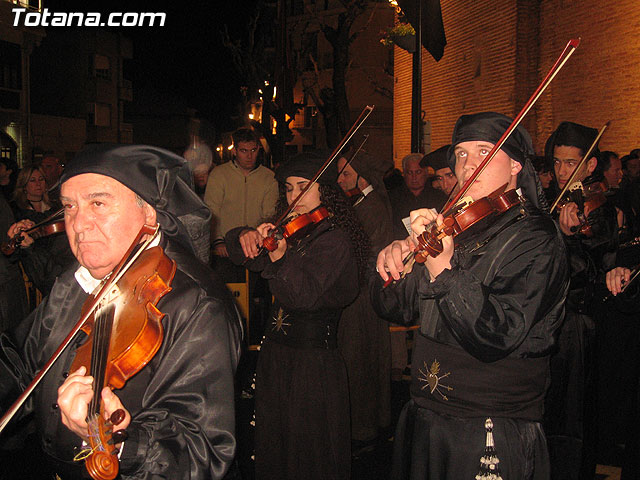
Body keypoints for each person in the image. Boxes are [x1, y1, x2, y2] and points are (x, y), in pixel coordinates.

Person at [0, 144, 242, 479]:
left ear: (149, 213)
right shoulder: (77, 279)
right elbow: (18, 358)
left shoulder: (198, 304)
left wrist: (122, 443)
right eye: (69, 207)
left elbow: (200, 448)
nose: (79, 223)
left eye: (98, 203)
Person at [371, 112, 569, 480]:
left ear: (514, 165)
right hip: (426, 415)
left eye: (483, 151)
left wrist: (443, 268)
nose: (468, 165)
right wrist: (396, 264)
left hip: (488, 425)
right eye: (460, 154)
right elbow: (394, 308)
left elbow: (499, 333)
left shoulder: (536, 236)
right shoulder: (452, 227)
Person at [225, 151, 369, 480]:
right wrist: (245, 235)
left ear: (326, 191)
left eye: (304, 187)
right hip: (277, 356)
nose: (294, 197)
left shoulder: (336, 241)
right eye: (289, 189)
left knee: (309, 454)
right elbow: (242, 256)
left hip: (313, 363)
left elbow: (302, 295)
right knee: (274, 448)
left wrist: (280, 257)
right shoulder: (292, 232)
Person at [544, 121, 618, 480]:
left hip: (579, 325)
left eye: (570, 163)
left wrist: (568, 237)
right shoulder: (552, 200)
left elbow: (591, 270)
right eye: (557, 162)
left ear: (590, 166)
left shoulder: (600, 208)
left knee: (573, 413)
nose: (561, 171)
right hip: (551, 324)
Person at [336, 149, 392, 452]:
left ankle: (363, 428)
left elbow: (366, 256)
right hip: (359, 293)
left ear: (362, 175)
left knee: (359, 360)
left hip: (362, 297)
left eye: (346, 173)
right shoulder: (359, 202)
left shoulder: (371, 206)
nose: (341, 179)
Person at [203, 127, 278, 260]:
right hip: (225, 246)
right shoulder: (219, 174)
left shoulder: (269, 177)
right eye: (244, 151)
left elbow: (270, 213)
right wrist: (217, 240)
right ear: (235, 151)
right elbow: (211, 210)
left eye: (253, 150)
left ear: (258, 149)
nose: (249, 156)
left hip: (258, 245)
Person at [9, 166, 74, 299]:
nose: (38, 184)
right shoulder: (16, 210)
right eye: (32, 180)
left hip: (58, 258)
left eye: (41, 179)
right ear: (24, 186)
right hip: (36, 262)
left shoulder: (55, 207)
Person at [388, 153, 447, 240]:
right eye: (409, 173)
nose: (414, 177)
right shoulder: (393, 198)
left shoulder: (439, 196)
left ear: (426, 173)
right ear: (404, 174)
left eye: (418, 172)